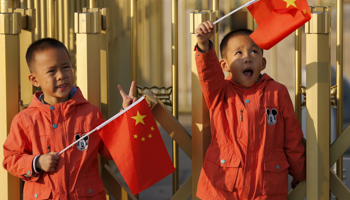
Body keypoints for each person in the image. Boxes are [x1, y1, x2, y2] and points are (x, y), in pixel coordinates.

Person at [2, 38, 136, 200]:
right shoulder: (25, 119)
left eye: (66, 67)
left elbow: (110, 150)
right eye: (51, 71)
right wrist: (36, 162)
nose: (61, 76)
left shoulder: (90, 113)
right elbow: (10, 159)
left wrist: (125, 114)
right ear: (34, 80)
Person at [194, 21, 306, 199]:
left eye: (254, 51)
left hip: (267, 188)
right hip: (224, 188)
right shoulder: (219, 92)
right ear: (224, 65)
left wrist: (300, 174)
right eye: (238, 53)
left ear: (262, 62)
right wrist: (203, 45)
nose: (247, 57)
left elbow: (292, 137)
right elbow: (208, 73)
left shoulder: (277, 92)